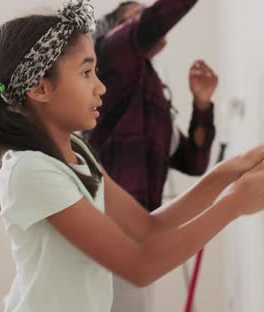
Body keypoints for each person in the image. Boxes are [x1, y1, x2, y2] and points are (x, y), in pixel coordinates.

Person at [0, 1, 264, 311]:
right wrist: (234, 203)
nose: (100, 87)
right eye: (86, 72)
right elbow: (139, 267)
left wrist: (228, 173)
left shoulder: (78, 152)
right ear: (41, 89)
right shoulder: (30, 168)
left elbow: (146, 227)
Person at [85, 0, 217, 212]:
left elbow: (195, 162)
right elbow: (152, 22)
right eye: (138, 15)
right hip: (104, 225)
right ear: (118, 29)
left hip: (145, 232)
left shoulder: (154, 95)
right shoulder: (106, 53)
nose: (146, 17)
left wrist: (201, 104)